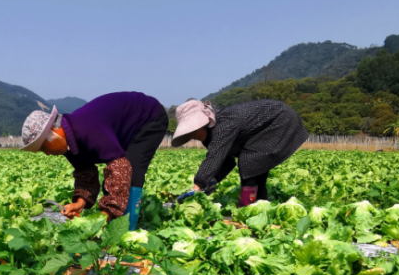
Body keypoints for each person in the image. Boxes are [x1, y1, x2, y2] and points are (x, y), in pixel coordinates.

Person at [20, 92, 168, 229]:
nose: (47, 154)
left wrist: (106, 214)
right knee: (121, 173)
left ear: (54, 132)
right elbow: (86, 173)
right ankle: (117, 224)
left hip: (149, 117)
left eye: (44, 147)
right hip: (125, 128)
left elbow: (120, 167)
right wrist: (79, 203)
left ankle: (126, 229)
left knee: (132, 170)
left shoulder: (87, 129)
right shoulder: (69, 145)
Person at [172, 99, 307, 206]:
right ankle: (261, 203)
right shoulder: (209, 135)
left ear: (204, 123)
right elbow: (227, 160)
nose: (192, 135)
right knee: (255, 163)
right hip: (269, 124)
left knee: (250, 160)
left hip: (281, 120)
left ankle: (247, 205)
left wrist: (198, 186)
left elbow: (215, 156)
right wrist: (212, 181)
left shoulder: (223, 125)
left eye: (194, 130)